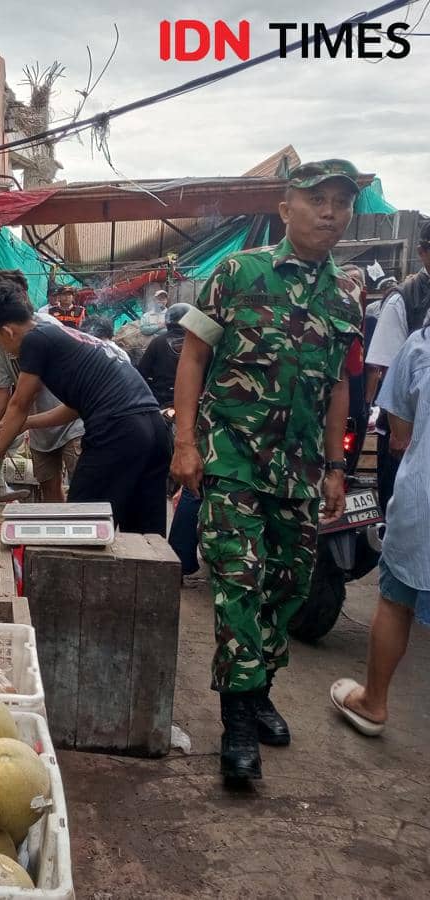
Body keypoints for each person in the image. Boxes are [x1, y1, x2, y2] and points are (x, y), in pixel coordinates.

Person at [170, 159, 362, 782]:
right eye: (318, 199)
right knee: (238, 586)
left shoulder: (345, 296)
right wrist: (185, 443)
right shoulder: (238, 272)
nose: (331, 212)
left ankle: (260, 690)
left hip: (300, 473)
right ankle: (238, 725)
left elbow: (337, 387)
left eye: (341, 201)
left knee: (288, 586)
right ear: (286, 208)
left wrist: (337, 466)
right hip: (233, 464)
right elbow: (193, 358)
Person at [0, 270, 167, 532]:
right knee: (143, 534)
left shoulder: (33, 340)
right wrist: (28, 424)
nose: (1, 347)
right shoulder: (57, 333)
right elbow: (73, 408)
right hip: (152, 426)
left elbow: (18, 403)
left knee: (81, 524)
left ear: (7, 331)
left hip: (118, 430)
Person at [331, 325, 430, 737]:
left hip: (422, 502)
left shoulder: (422, 342)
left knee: (395, 602)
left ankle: (373, 702)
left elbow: (400, 435)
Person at [365, 224, 430, 511]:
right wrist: (400, 435)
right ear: (423, 253)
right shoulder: (403, 300)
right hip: (408, 432)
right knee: (405, 511)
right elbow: (390, 371)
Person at [0, 319, 85, 504]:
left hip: (70, 420)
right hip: (37, 426)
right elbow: (0, 391)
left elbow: (24, 398)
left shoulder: (45, 329)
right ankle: (57, 530)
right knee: (49, 488)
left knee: (81, 486)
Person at [137, 303, 191, 408]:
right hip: (192, 399)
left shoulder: (157, 342)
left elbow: (142, 372)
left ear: (167, 321)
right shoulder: (199, 344)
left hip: (162, 399)